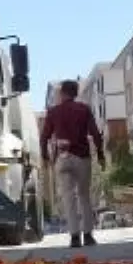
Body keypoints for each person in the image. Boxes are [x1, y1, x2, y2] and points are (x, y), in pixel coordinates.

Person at [41, 79, 105, 248]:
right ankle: (88, 235)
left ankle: (74, 237)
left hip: (62, 159)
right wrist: (100, 154)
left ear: (62, 93)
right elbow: (95, 133)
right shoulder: (84, 110)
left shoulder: (53, 112)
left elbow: (44, 136)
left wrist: (45, 157)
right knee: (84, 196)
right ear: (75, 93)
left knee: (68, 198)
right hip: (81, 157)